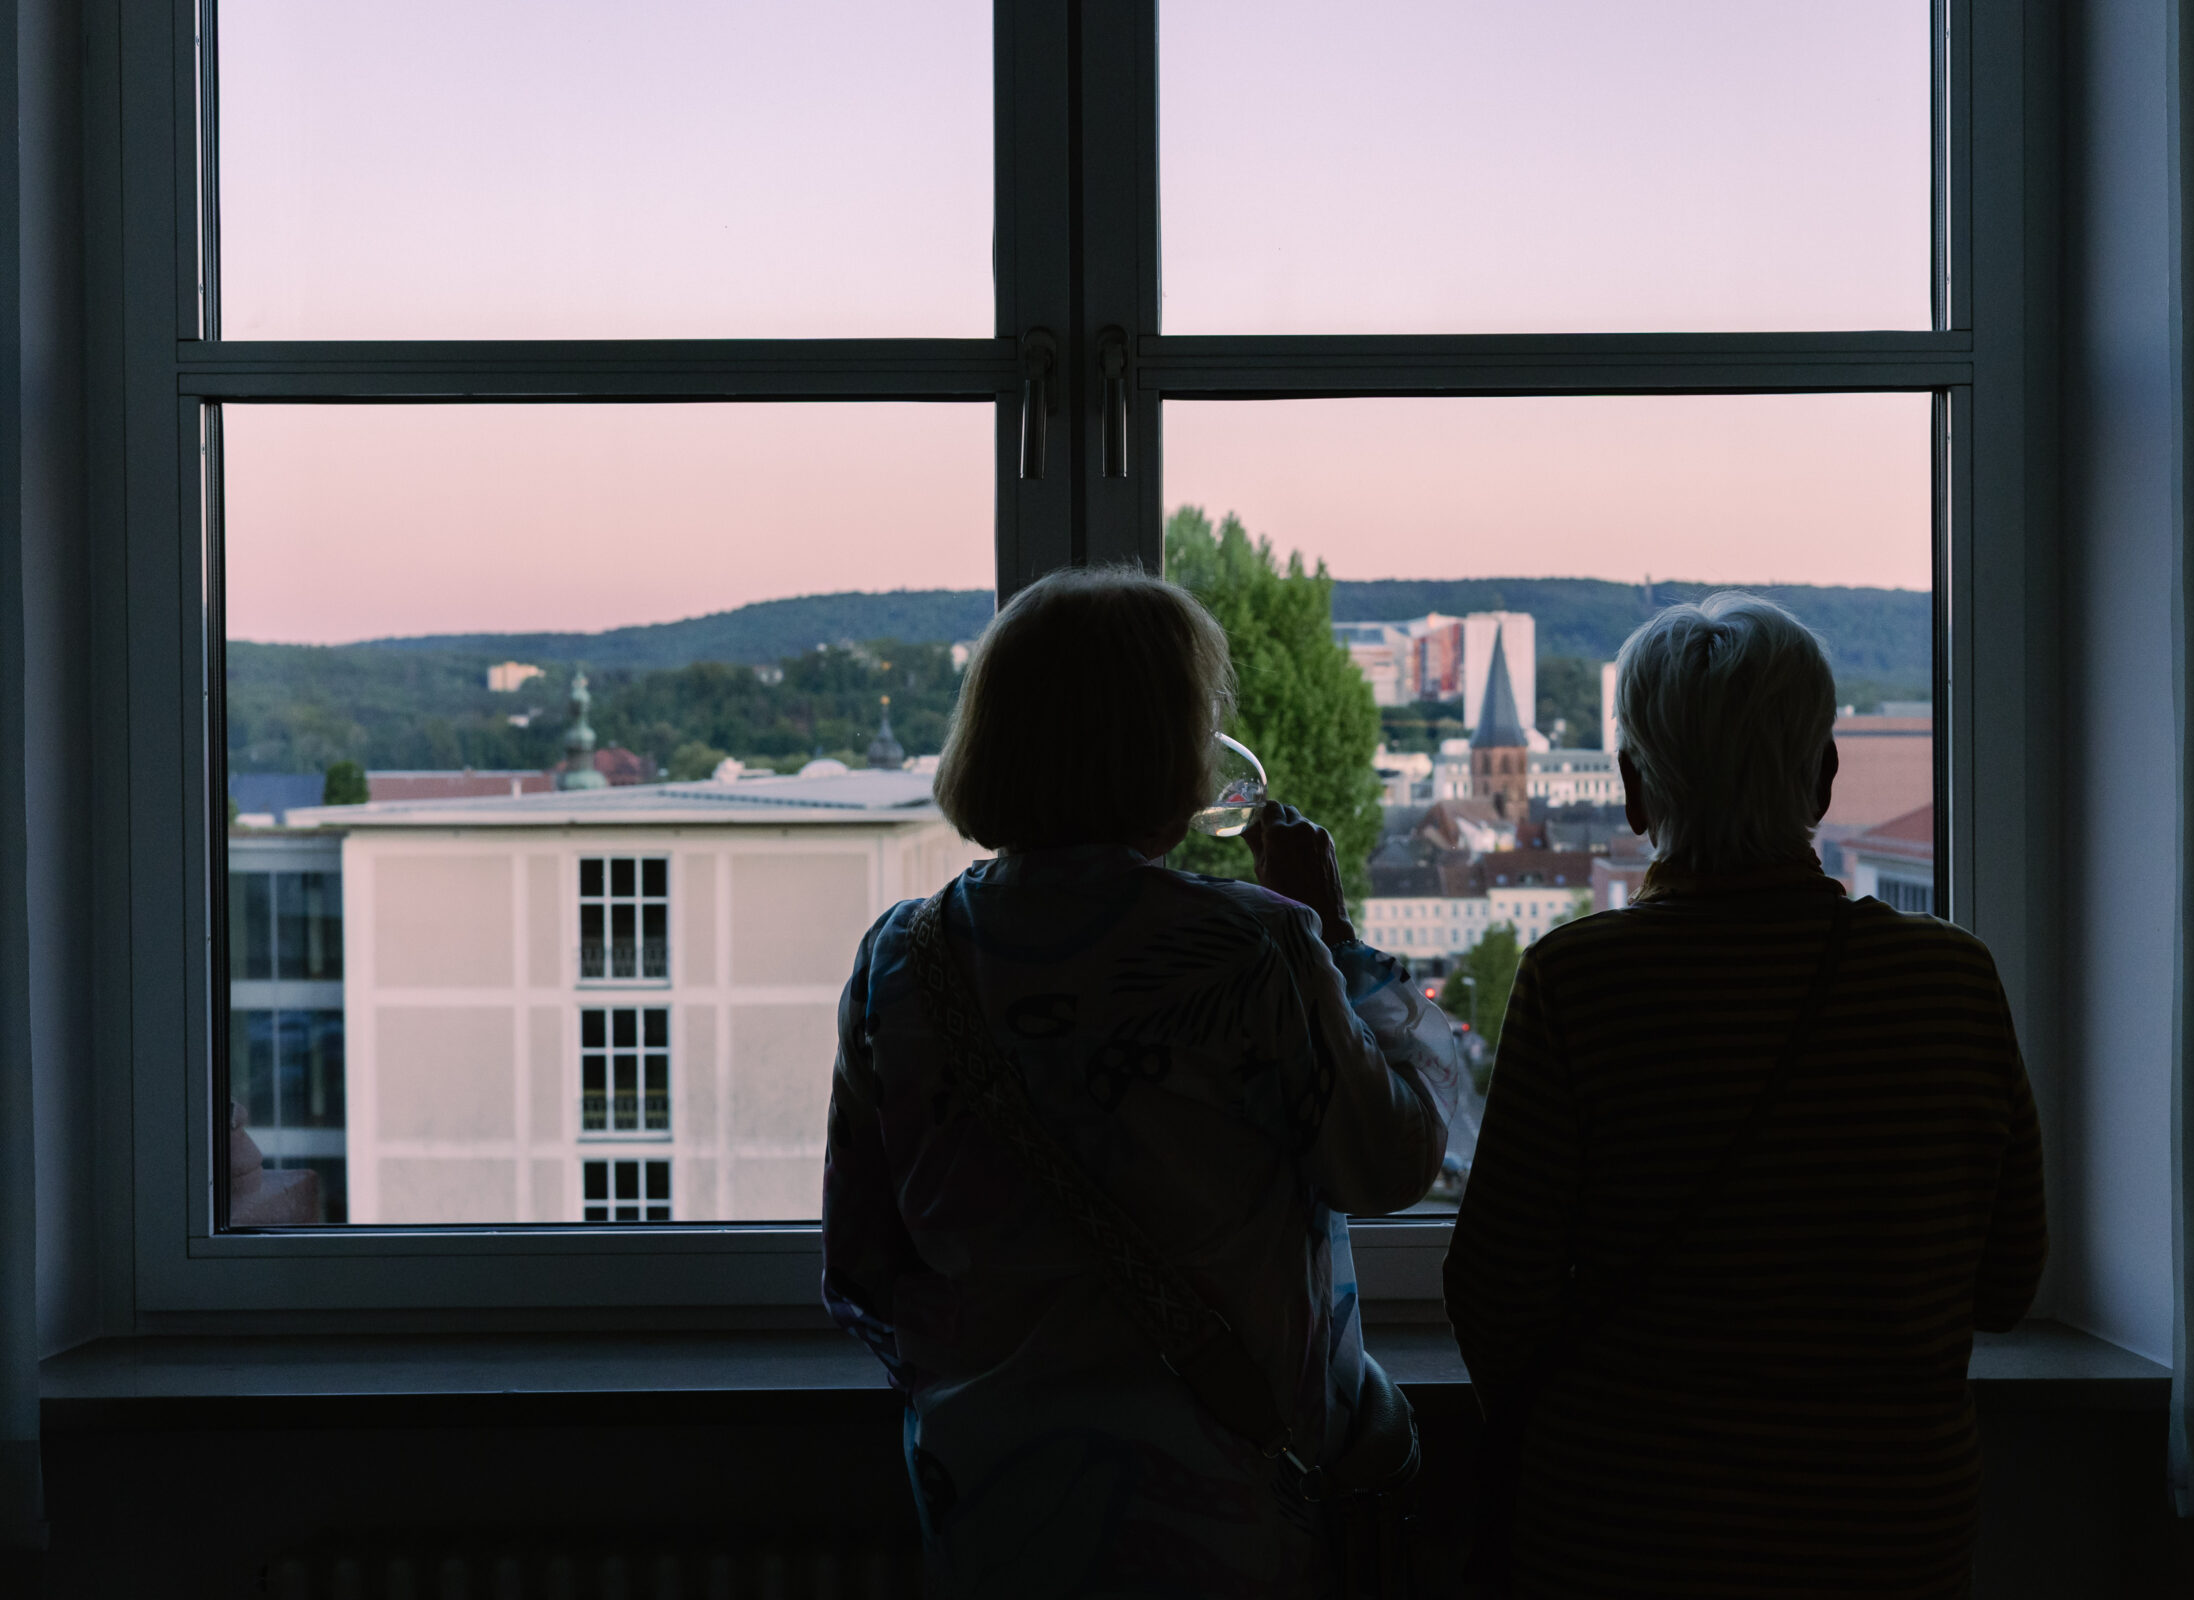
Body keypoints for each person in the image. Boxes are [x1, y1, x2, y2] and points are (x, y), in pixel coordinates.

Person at [822, 566, 1461, 1597]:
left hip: (997, 1514)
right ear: (1167, 747)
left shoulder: (902, 956)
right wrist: (1340, 941)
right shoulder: (1256, 949)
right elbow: (1394, 1161)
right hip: (1226, 1516)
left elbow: (860, 1263)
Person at [1445, 592, 2046, 1599]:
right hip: (1886, 1533)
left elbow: (1495, 1289)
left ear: (1635, 792)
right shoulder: (1951, 980)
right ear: (1822, 776)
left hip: (1625, 1534)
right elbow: (2006, 1283)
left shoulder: (1579, 981)